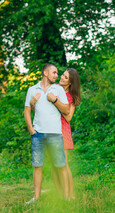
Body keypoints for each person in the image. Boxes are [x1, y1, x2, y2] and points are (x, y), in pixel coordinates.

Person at [31, 68, 81, 199]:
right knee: (54, 165)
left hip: (62, 130)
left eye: (65, 77)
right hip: (49, 128)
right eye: (62, 75)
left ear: (70, 82)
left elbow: (69, 117)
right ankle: (60, 195)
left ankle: (71, 195)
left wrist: (56, 101)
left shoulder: (71, 97)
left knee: (63, 164)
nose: (61, 78)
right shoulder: (53, 88)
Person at [24, 63, 70, 204]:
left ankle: (66, 198)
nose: (57, 76)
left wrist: (54, 99)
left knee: (61, 165)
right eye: (54, 73)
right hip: (38, 134)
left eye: (57, 73)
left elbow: (67, 110)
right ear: (45, 73)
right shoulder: (32, 90)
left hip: (55, 134)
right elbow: (27, 111)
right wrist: (31, 129)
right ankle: (36, 197)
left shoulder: (58, 90)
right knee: (38, 166)